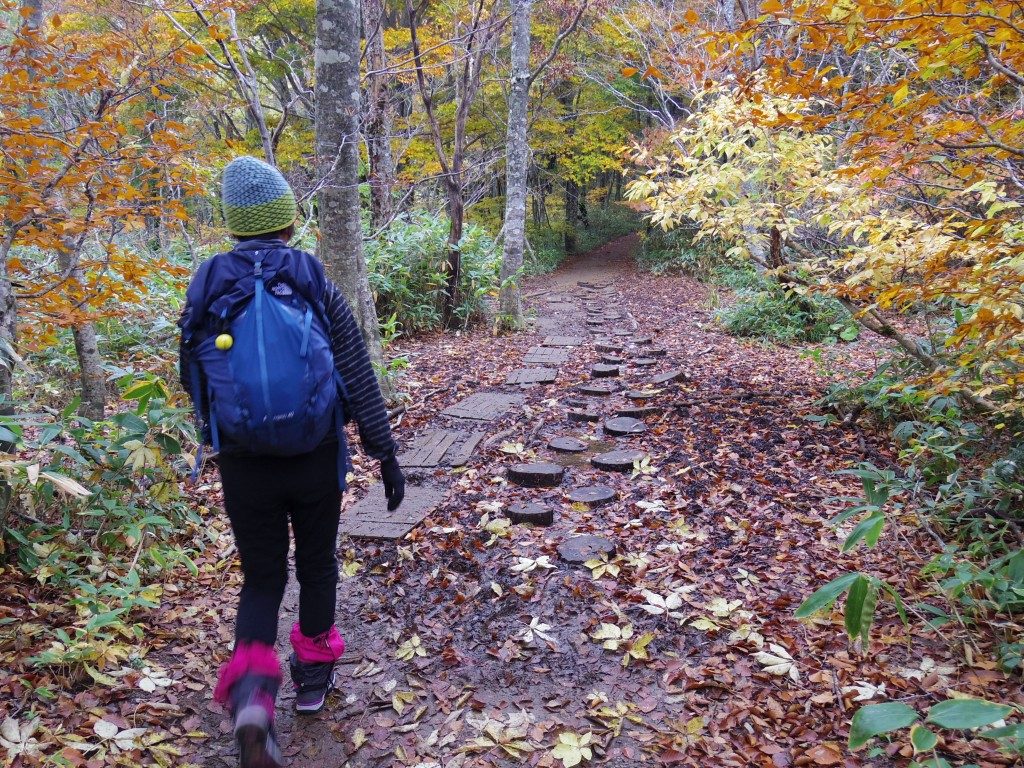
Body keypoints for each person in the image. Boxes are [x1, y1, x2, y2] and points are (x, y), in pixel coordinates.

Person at [179, 156, 405, 768]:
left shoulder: (207, 282)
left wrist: (218, 434)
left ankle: (253, 694)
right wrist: (384, 450)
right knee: (316, 563)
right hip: (315, 455)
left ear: (233, 223)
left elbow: (192, 374)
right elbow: (355, 367)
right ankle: (312, 678)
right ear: (286, 217)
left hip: (245, 462)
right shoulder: (309, 274)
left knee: (261, 577)